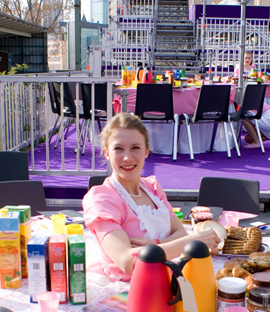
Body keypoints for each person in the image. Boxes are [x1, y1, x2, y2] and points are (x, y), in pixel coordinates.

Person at [82, 113, 221, 280]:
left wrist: (155, 244)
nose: (127, 157)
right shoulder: (101, 199)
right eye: (118, 148)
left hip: (165, 276)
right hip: (130, 287)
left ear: (146, 151)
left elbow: (181, 232)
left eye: (135, 148)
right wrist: (191, 242)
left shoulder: (151, 187)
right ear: (107, 153)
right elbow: (126, 261)